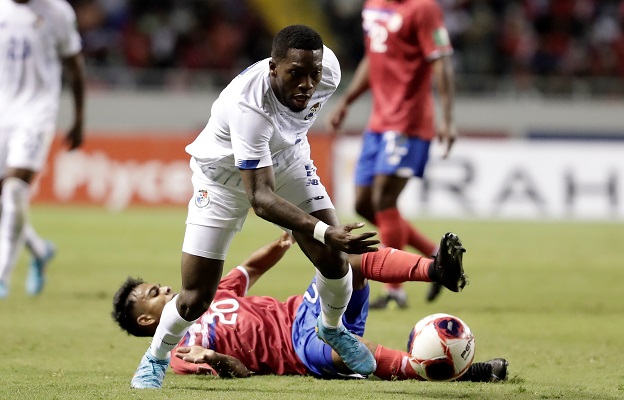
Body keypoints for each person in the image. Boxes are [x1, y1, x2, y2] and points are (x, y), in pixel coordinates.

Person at [129, 24, 412, 389]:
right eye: (296, 74)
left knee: (333, 260)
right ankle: (156, 357)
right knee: (196, 298)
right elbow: (260, 199)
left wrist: (325, 236)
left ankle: (331, 328)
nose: (308, 85)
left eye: (314, 74)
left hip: (289, 161)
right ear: (273, 69)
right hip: (221, 181)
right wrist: (325, 230)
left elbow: (299, 122)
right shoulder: (249, 106)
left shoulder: (329, 72)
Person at [113, 232, 501, 383]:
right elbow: (243, 373)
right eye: (153, 291)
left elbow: (250, 269)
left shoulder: (206, 295)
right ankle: (455, 371)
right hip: (298, 349)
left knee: (347, 260)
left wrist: (281, 244)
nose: (164, 286)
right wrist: (213, 357)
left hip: (304, 311)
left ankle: (435, 269)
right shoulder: (177, 352)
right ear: (146, 318)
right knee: (338, 354)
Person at [326, 0, 457, 308]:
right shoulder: (374, 6)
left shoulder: (423, 10)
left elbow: (441, 62)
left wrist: (447, 118)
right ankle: (433, 253)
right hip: (378, 123)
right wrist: (347, 101)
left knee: (384, 200)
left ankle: (394, 290)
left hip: (408, 122)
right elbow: (374, 58)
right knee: (363, 203)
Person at [0, 0, 86, 299]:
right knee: (4, 202)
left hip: (36, 113)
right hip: (2, 113)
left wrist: (79, 119)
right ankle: (39, 250)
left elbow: (74, 64)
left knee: (13, 190)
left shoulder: (57, 11)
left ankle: (2, 277)